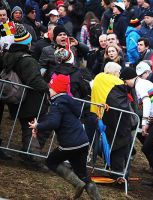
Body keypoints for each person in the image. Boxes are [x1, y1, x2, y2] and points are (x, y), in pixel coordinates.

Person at [28, 74, 101, 200]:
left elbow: (54, 122)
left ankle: (77, 184)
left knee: (51, 161)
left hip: (70, 143)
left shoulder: (57, 104)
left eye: (50, 88)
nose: (49, 90)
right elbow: (57, 118)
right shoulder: (67, 101)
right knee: (82, 174)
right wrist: (39, 126)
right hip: (82, 141)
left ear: (56, 89)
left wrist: (38, 125)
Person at [2, 23, 49, 167]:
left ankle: (27, 154)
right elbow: (34, 80)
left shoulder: (8, 55)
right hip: (31, 101)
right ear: (26, 43)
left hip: (17, 99)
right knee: (36, 128)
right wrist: (48, 88)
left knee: (27, 127)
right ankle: (31, 157)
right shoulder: (27, 60)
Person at [120, 67, 153, 187]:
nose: (126, 84)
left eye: (125, 81)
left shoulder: (139, 86)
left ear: (129, 79)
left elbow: (147, 102)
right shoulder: (144, 82)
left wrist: (144, 123)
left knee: (149, 148)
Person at [90, 62, 132, 176]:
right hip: (114, 119)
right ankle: (117, 174)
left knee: (103, 142)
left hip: (97, 115)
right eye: (118, 72)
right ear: (114, 72)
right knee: (118, 145)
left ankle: (108, 167)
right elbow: (121, 104)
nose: (119, 75)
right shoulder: (116, 82)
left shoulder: (98, 77)